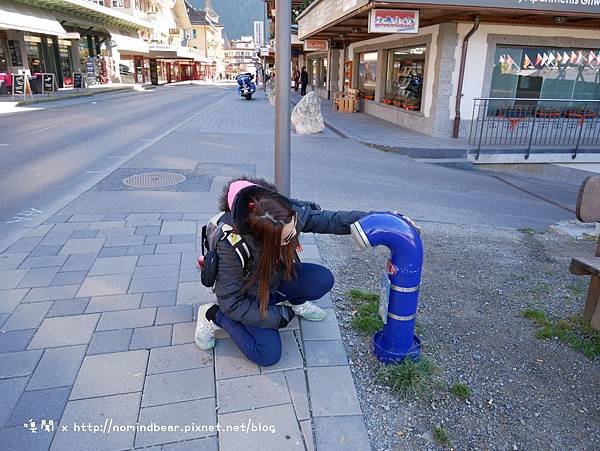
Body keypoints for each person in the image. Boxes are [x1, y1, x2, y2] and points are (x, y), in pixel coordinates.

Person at [195, 177, 368, 367]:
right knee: (267, 354)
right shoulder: (230, 246)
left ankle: (295, 303)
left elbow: (330, 220)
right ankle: (212, 315)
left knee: (322, 279)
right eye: (287, 238)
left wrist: (376, 219)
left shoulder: (283, 213)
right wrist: (275, 317)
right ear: (264, 238)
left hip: (274, 280)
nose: (295, 234)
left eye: (294, 227)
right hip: (249, 296)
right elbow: (231, 301)